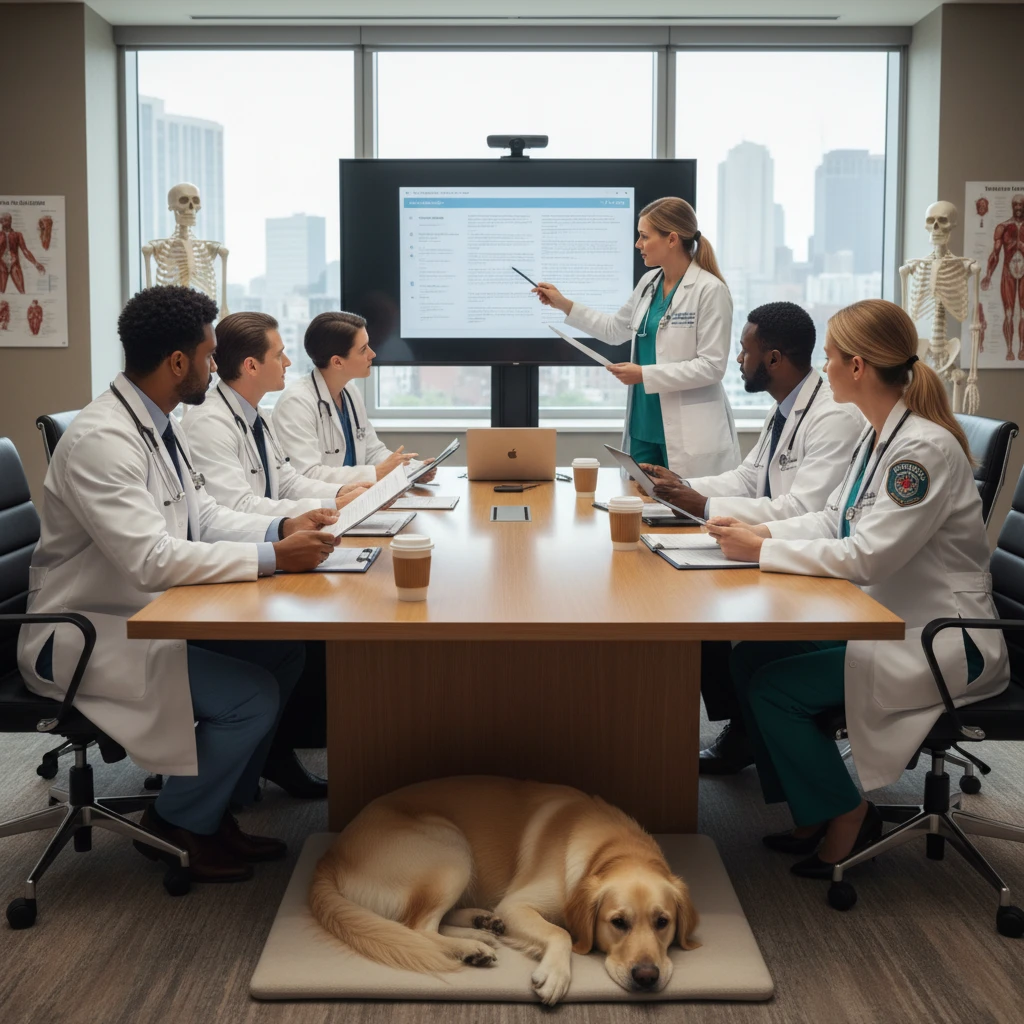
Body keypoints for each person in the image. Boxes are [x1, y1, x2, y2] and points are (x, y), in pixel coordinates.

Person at [18, 286, 342, 883]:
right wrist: (272, 556)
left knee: (283, 653)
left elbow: (204, 516)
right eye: (209, 354)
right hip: (85, 630)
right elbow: (150, 559)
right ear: (176, 362)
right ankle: (179, 820)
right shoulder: (103, 441)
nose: (215, 366)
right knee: (251, 697)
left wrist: (282, 527)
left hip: (144, 611)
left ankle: (218, 808)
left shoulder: (158, 425)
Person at [705, 298, 1008, 878]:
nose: (823, 368)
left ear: (859, 366)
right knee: (750, 658)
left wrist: (762, 552)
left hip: (943, 640)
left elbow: (869, 556)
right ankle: (811, 808)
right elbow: (835, 519)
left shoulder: (920, 451)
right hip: (889, 619)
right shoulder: (879, 437)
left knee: (774, 689)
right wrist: (760, 533)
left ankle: (848, 814)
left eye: (830, 357)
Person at [638, 302, 865, 775]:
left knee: (704, 608)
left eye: (745, 351)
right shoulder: (786, 407)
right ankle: (744, 730)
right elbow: (748, 478)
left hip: (813, 563)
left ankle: (745, 733)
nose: (739, 360)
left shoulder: (833, 417)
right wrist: (684, 487)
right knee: (695, 599)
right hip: (782, 544)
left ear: (774, 359)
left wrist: (704, 506)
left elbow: (805, 509)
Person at [181, 311, 372, 798]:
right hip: (221, 561)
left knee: (302, 639)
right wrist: (297, 522)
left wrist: (335, 500)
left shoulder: (253, 413)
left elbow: (285, 482)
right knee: (310, 634)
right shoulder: (209, 423)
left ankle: (265, 760)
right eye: (279, 354)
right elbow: (234, 507)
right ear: (250, 365)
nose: (289, 362)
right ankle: (256, 765)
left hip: (249, 545)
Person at [533, 196, 740, 478]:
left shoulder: (710, 290)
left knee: (683, 503)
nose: (637, 244)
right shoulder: (649, 283)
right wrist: (563, 304)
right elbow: (614, 330)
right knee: (639, 501)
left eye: (644, 236)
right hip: (644, 424)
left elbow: (712, 366)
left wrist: (644, 374)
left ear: (672, 239)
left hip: (688, 431)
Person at [272, 310, 436, 485]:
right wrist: (375, 473)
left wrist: (410, 470)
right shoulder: (296, 404)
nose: (372, 354)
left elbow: (372, 451)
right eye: (363, 349)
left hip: (357, 495)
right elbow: (307, 475)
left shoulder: (350, 392)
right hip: (322, 500)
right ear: (337, 362)